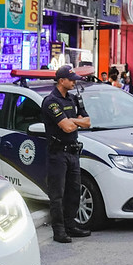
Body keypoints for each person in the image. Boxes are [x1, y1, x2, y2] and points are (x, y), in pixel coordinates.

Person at [40, 65, 92, 243]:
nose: (74, 82)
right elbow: (67, 127)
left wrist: (72, 119)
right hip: (58, 154)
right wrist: (75, 121)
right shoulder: (51, 102)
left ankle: (71, 225)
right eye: (71, 80)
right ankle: (59, 230)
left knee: (74, 191)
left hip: (73, 152)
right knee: (57, 195)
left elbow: (87, 122)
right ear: (61, 81)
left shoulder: (72, 98)